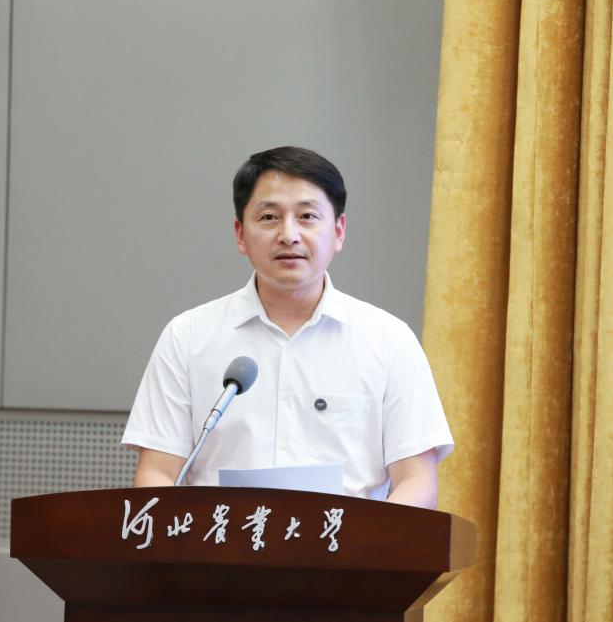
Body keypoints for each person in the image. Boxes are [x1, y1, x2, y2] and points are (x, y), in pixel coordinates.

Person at [121, 147, 452, 508]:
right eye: (269, 217)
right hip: (218, 543)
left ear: (338, 231)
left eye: (307, 216)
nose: (289, 235)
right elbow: (158, 474)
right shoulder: (187, 337)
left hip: (347, 544)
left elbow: (417, 480)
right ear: (240, 234)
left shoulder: (390, 341)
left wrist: (372, 541)